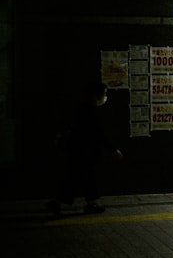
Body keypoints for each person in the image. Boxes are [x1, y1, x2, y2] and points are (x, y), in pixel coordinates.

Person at [46, 80, 123, 216]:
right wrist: (113, 149)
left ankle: (68, 202)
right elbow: (99, 133)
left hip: (78, 150)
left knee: (79, 177)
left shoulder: (81, 108)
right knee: (82, 177)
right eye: (104, 93)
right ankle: (67, 202)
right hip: (85, 151)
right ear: (95, 94)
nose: (105, 97)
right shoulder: (90, 111)